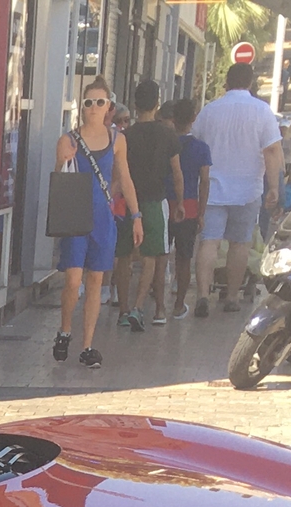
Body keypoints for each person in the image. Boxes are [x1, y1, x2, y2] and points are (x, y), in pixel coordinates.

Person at [54, 81, 136, 367]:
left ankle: (87, 345)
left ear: (108, 107)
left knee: (96, 281)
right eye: (88, 103)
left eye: (99, 102)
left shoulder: (118, 141)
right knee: (73, 279)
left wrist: (136, 216)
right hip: (76, 214)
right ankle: (65, 329)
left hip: (102, 216)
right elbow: (59, 180)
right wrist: (62, 161)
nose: (94, 108)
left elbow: (125, 178)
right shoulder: (69, 140)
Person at [194, 63, 283, 314]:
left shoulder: (210, 111)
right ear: (251, 83)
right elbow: (272, 150)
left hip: (212, 189)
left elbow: (196, 144)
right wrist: (273, 187)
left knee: (209, 242)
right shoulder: (262, 111)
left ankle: (202, 295)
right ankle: (232, 297)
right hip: (247, 190)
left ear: (227, 83)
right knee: (240, 244)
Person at [117, 80, 180, 330]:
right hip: (155, 201)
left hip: (127, 203)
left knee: (123, 256)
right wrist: (179, 201)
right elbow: (176, 172)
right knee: (151, 256)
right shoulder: (168, 134)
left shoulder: (124, 136)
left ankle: (122, 309)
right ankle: (139, 306)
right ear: (157, 103)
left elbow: (117, 172)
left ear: (134, 104)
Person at [167, 97, 212, 319]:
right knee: (184, 257)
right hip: (190, 205)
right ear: (193, 119)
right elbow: (204, 181)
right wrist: (201, 213)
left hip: (165, 204)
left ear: (173, 119)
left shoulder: (166, 144)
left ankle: (156, 301)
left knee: (158, 255)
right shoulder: (201, 148)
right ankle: (179, 303)